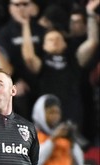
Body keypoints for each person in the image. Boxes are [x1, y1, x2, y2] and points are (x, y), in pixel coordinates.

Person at [20, 0, 99, 133]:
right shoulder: (42, 63)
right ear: (44, 46)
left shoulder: (74, 59)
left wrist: (90, 14)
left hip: (72, 115)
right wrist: (25, 24)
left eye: (58, 39)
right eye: (50, 40)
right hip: (48, 114)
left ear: (65, 44)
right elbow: (28, 56)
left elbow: (92, 42)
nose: (55, 41)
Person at [31, 94, 84, 165]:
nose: (55, 116)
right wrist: (53, 139)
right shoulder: (33, 135)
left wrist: (73, 143)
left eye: (57, 113)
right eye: (51, 112)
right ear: (40, 113)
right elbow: (35, 163)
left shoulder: (64, 135)